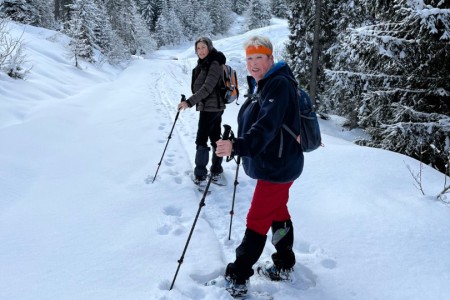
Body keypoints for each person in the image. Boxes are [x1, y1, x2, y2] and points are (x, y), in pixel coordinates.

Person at [215, 35, 304, 297]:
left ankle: (239, 275)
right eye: (249, 58)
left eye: (259, 58)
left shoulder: (278, 85)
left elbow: (266, 127)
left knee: (257, 219)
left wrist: (237, 146)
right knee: (278, 212)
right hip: (279, 163)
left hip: (277, 167)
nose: (253, 64)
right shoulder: (264, 83)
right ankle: (284, 263)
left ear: (270, 58)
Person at [178, 37, 226, 185]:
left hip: (210, 108)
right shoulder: (205, 63)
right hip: (212, 107)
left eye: (203, 47)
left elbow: (207, 88)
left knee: (201, 140)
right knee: (215, 138)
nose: (200, 51)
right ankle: (216, 170)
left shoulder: (214, 63)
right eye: (198, 48)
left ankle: (200, 175)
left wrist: (189, 102)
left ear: (209, 47)